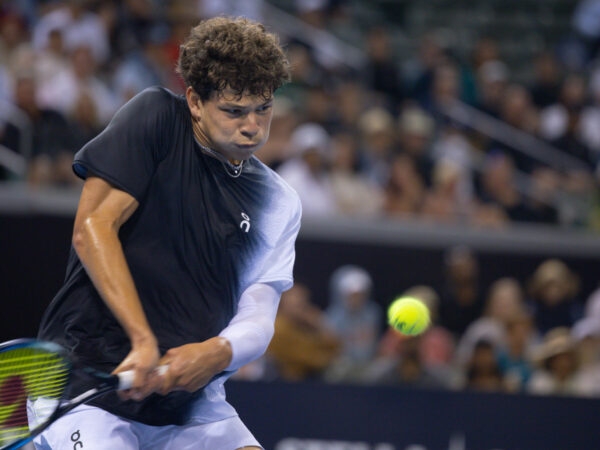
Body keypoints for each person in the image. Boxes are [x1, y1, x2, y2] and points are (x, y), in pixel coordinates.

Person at [30, 16, 300, 450]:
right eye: (234, 111)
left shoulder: (277, 199)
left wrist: (216, 353)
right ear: (195, 101)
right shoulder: (155, 116)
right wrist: (142, 340)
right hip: (83, 390)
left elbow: (258, 314)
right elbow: (92, 227)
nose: (252, 126)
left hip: (189, 406)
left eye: (263, 108)